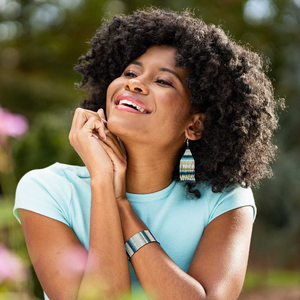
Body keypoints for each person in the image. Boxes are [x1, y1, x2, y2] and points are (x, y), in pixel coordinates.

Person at [14, 8, 281, 300]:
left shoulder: (225, 199)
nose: (134, 83)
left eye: (164, 81)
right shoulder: (48, 189)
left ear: (195, 125)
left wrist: (122, 206)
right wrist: (103, 183)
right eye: (130, 72)